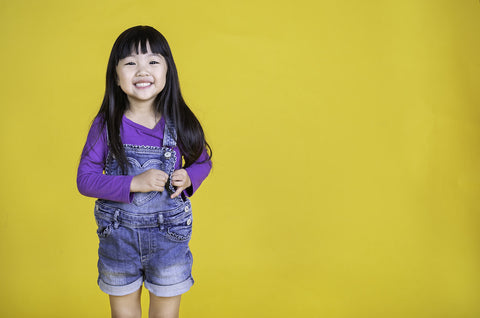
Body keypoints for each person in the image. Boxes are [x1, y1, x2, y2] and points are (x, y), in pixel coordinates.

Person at [77, 25, 212, 318]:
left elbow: (203, 162)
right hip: (119, 240)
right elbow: (85, 180)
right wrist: (133, 182)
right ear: (116, 75)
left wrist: (190, 177)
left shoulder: (181, 123)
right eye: (130, 63)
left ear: (167, 71)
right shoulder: (105, 125)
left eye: (152, 61)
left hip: (169, 240)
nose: (142, 70)